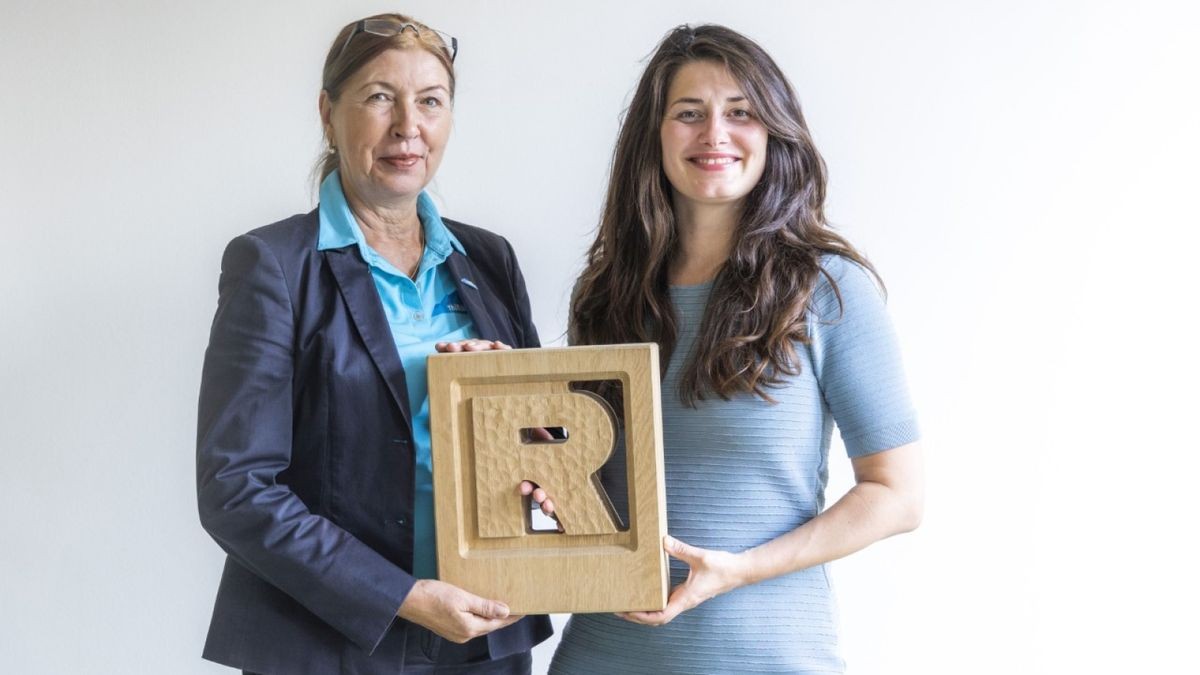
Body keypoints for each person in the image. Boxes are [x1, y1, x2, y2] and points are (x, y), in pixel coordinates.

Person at [541, 24, 924, 674]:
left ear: (775, 131)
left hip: (767, 656)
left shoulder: (828, 290)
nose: (714, 134)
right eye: (689, 114)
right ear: (654, 136)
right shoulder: (606, 294)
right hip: (603, 657)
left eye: (740, 113)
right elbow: (589, 486)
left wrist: (739, 570)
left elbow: (898, 494)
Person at [196, 13, 550, 674]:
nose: (407, 126)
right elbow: (236, 487)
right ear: (329, 112)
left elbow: (545, 459)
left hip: (482, 638)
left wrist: (513, 411)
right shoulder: (272, 265)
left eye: (430, 101)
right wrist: (405, 596)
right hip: (324, 645)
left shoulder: (489, 259)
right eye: (380, 96)